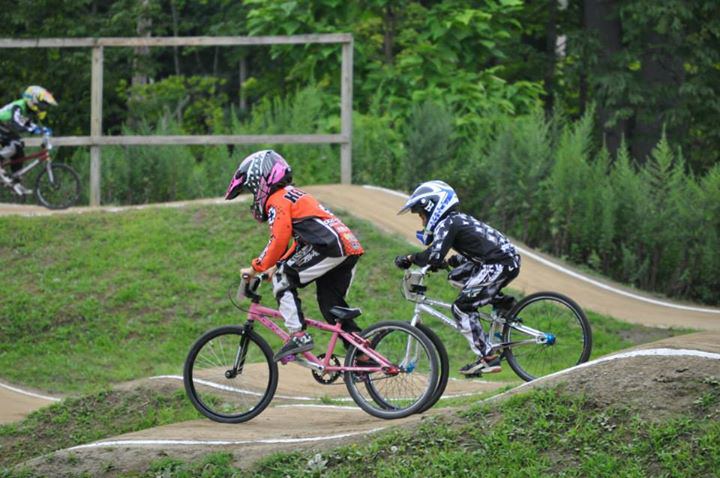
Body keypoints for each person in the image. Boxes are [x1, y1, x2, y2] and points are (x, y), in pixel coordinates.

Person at [225, 150, 365, 361]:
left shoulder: (277, 200)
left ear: (261, 181)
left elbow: (279, 240)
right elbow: (300, 242)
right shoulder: (293, 194)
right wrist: (276, 264)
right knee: (331, 306)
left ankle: (298, 335)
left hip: (329, 247)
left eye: (252, 191)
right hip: (345, 248)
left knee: (283, 277)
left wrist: (256, 267)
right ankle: (363, 356)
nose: (254, 198)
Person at [394, 180, 521, 375]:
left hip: (497, 263)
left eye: (421, 215)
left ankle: (487, 358)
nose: (422, 221)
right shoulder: (456, 220)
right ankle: (503, 303)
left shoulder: (447, 223)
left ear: (431, 206)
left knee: (462, 308)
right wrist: (450, 262)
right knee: (456, 276)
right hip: (500, 260)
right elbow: (477, 246)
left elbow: (434, 255)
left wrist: (410, 258)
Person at [0, 86, 57, 195]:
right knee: (15, 144)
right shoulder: (18, 106)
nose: (43, 108)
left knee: (19, 149)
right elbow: (17, 123)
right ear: (33, 100)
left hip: (4, 127)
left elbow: (26, 123)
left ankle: (15, 183)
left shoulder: (27, 110)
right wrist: (38, 130)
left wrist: (42, 130)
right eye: (42, 104)